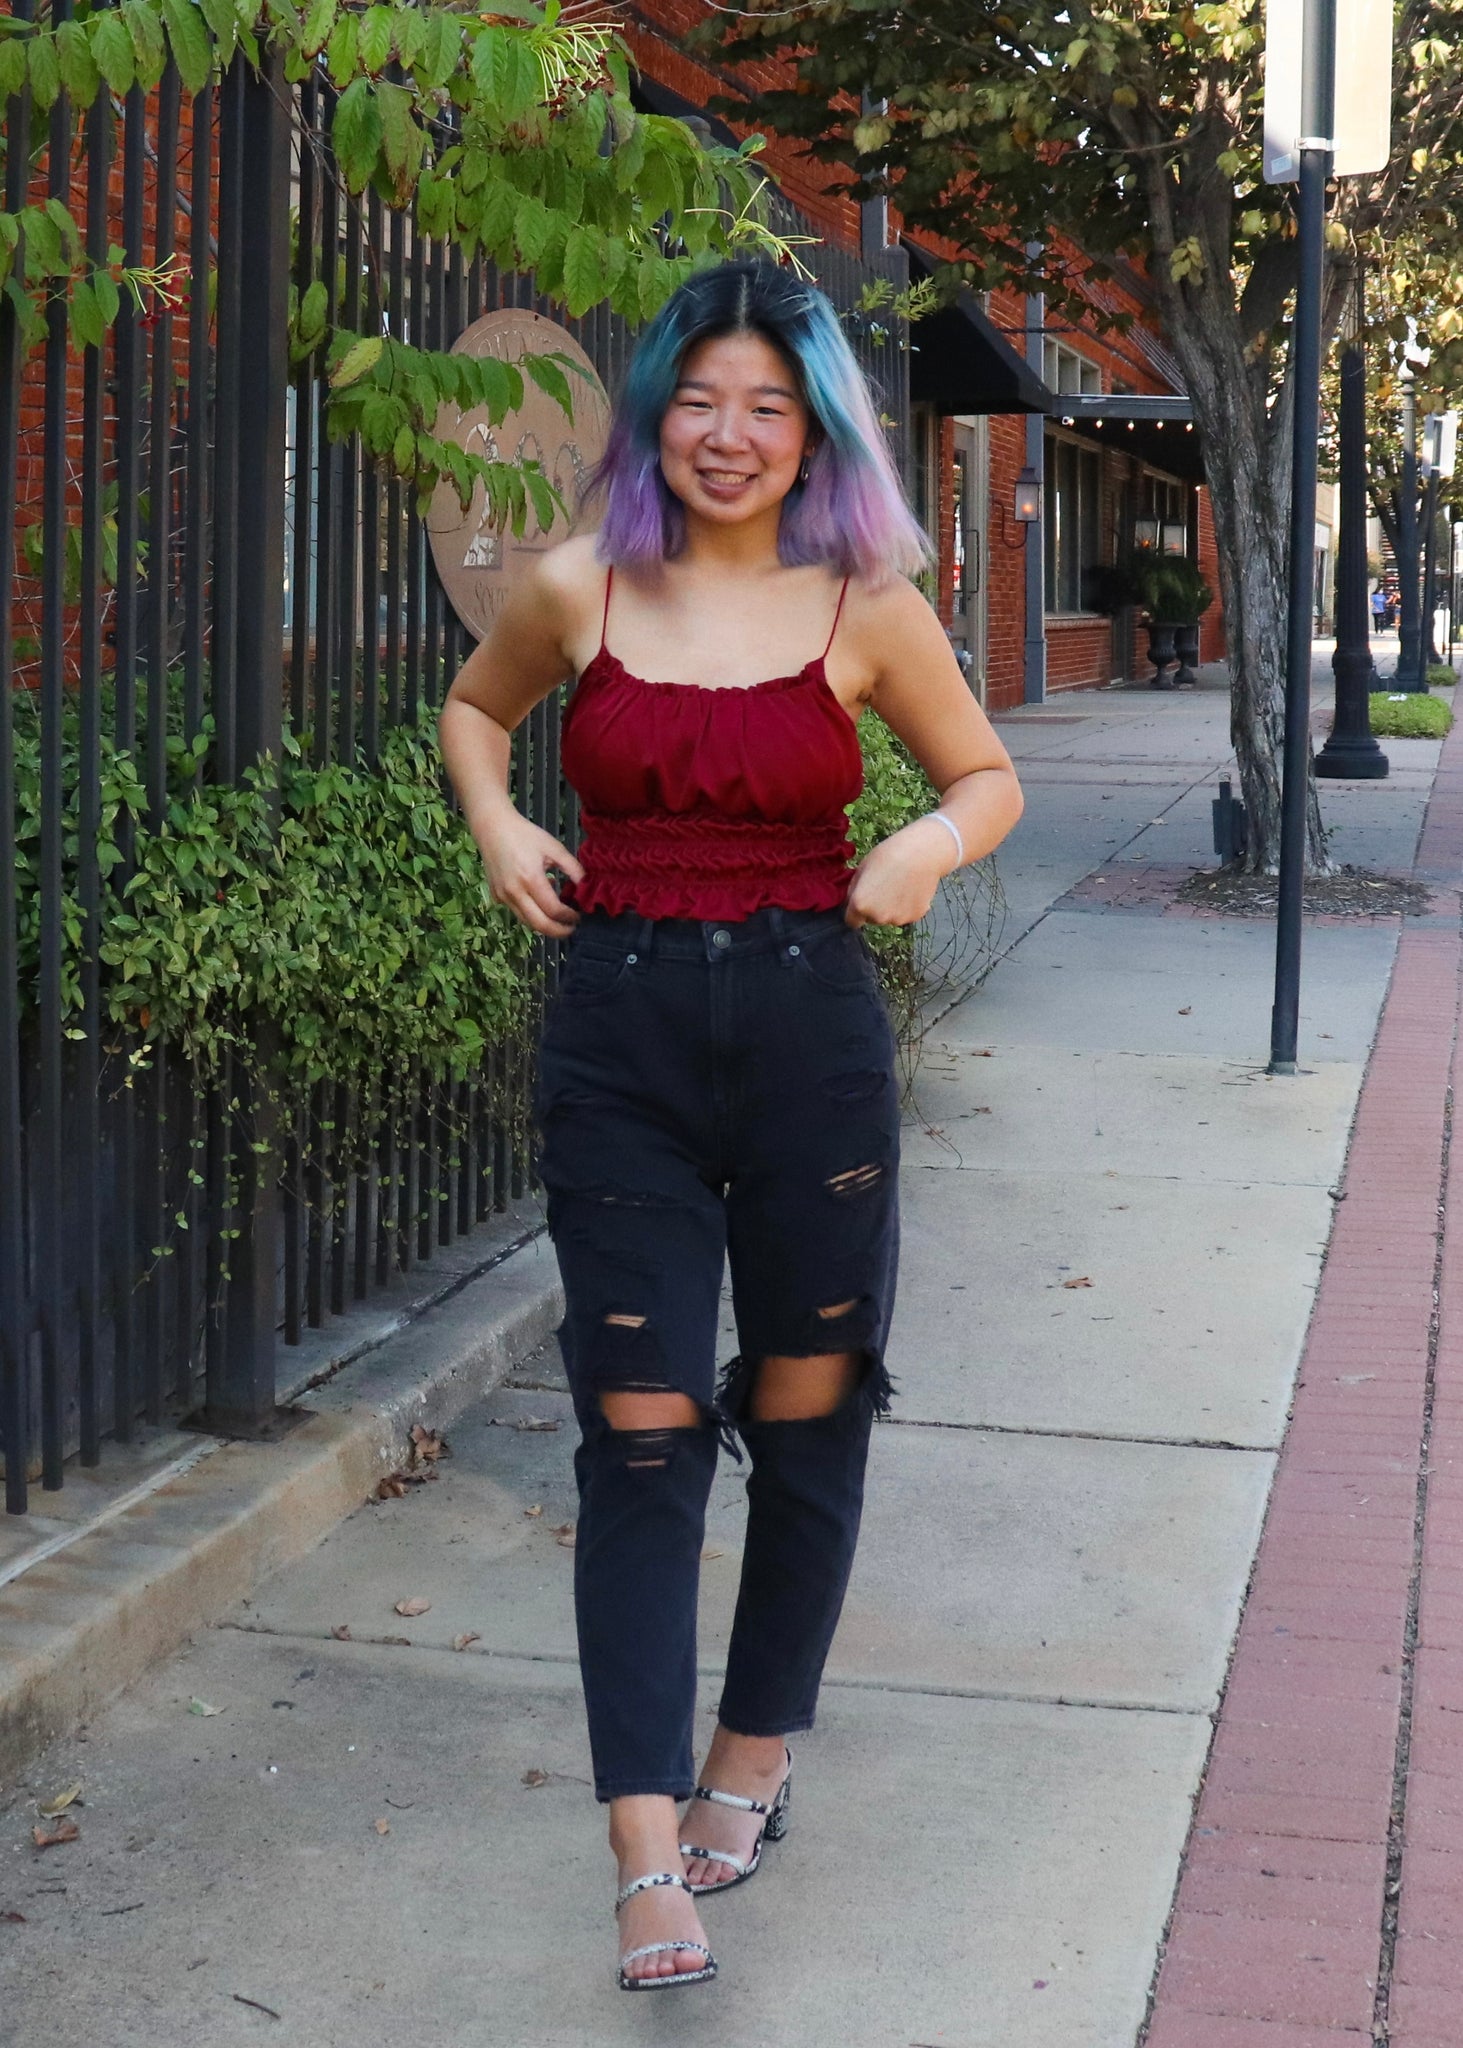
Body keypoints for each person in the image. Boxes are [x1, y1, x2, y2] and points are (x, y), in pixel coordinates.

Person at [439, 260, 1023, 1992]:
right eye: (702, 397)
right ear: (653, 409)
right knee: (636, 1428)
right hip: (617, 1035)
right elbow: (477, 712)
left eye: (771, 404)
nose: (731, 432)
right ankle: (641, 1847)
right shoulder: (577, 586)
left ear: (815, 429)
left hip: (808, 1044)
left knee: (809, 1401)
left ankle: (752, 1754)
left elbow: (984, 776)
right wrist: (495, 821)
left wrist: (923, 845)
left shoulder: (869, 603)